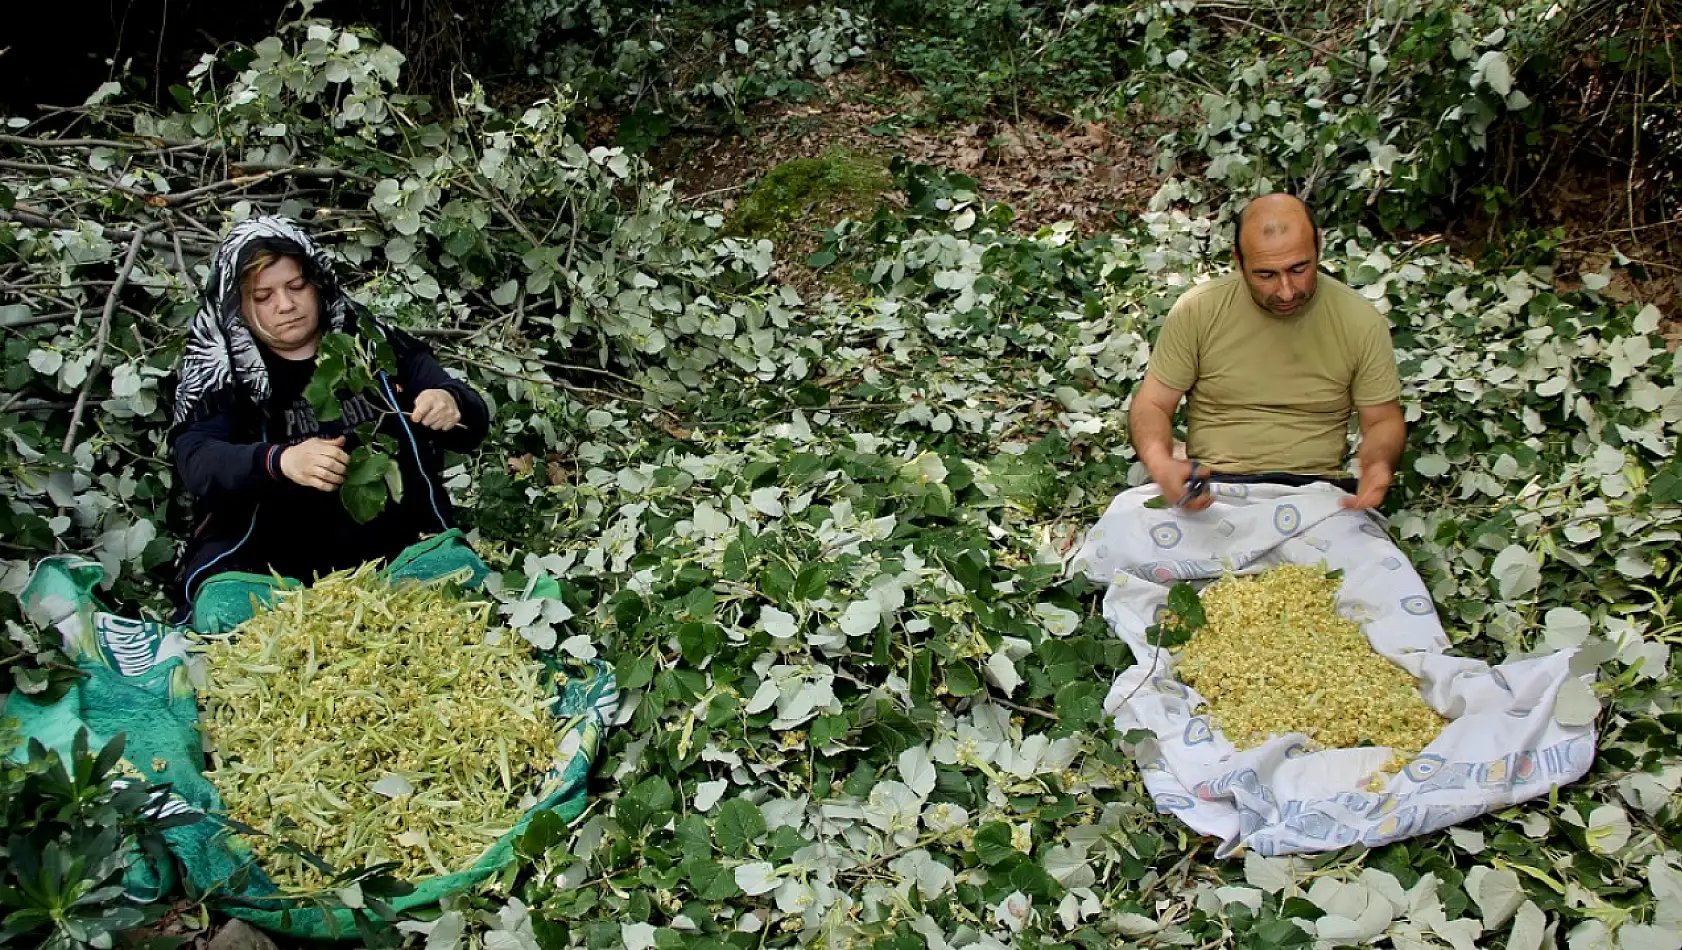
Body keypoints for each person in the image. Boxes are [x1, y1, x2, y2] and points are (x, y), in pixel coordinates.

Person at [169, 216, 491, 624]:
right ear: (238, 305)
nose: (285, 305)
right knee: (226, 615)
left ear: (317, 282)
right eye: (263, 296)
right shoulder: (223, 368)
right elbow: (197, 461)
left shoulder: (371, 343)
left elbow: (473, 422)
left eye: (296, 286)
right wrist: (280, 462)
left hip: (397, 551)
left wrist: (450, 403)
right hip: (265, 565)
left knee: (462, 594)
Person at [1128, 193, 1406, 508]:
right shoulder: (1198, 311)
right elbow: (1151, 404)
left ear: (1319, 247)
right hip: (1214, 489)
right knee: (1114, 543)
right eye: (1266, 275)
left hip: (1316, 493)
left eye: (1299, 268)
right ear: (1238, 260)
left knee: (1378, 560)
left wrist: (1379, 463)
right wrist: (1160, 462)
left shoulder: (1360, 321)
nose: (1286, 291)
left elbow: (1383, 420)